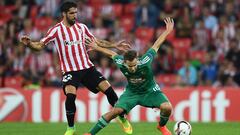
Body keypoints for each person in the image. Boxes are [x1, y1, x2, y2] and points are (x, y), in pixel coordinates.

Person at [19, 1, 132, 135]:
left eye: (76, 13)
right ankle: (71, 128)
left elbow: (96, 42)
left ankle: (122, 117)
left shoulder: (82, 28)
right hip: (70, 70)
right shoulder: (56, 30)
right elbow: (39, 46)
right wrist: (30, 43)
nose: (75, 15)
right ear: (64, 14)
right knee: (71, 96)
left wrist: (115, 45)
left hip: (87, 67)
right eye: (72, 13)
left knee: (109, 90)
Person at [84, 17, 174, 135]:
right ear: (125, 62)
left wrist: (167, 31)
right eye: (129, 66)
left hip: (150, 91)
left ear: (137, 60)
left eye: (134, 65)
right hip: (132, 93)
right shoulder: (121, 62)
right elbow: (111, 53)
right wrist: (96, 47)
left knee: (167, 107)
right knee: (115, 112)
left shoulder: (145, 61)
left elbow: (156, 45)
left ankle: (161, 126)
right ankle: (90, 133)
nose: (132, 68)